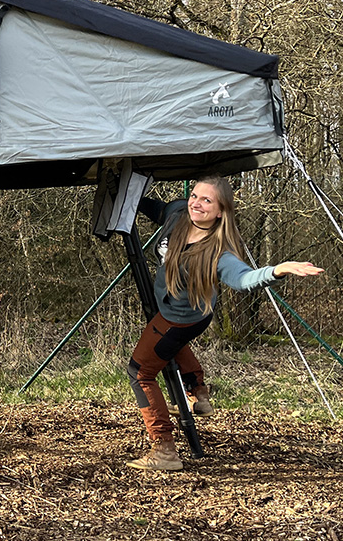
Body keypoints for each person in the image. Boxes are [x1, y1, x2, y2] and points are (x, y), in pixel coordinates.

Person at [128, 175, 323, 471]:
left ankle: (164, 450)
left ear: (220, 211)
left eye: (207, 200)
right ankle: (199, 393)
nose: (197, 203)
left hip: (178, 319)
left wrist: (277, 270)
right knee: (168, 348)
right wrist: (126, 197)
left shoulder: (218, 251)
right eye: (195, 195)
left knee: (140, 372)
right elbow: (157, 209)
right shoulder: (178, 214)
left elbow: (244, 279)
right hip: (193, 317)